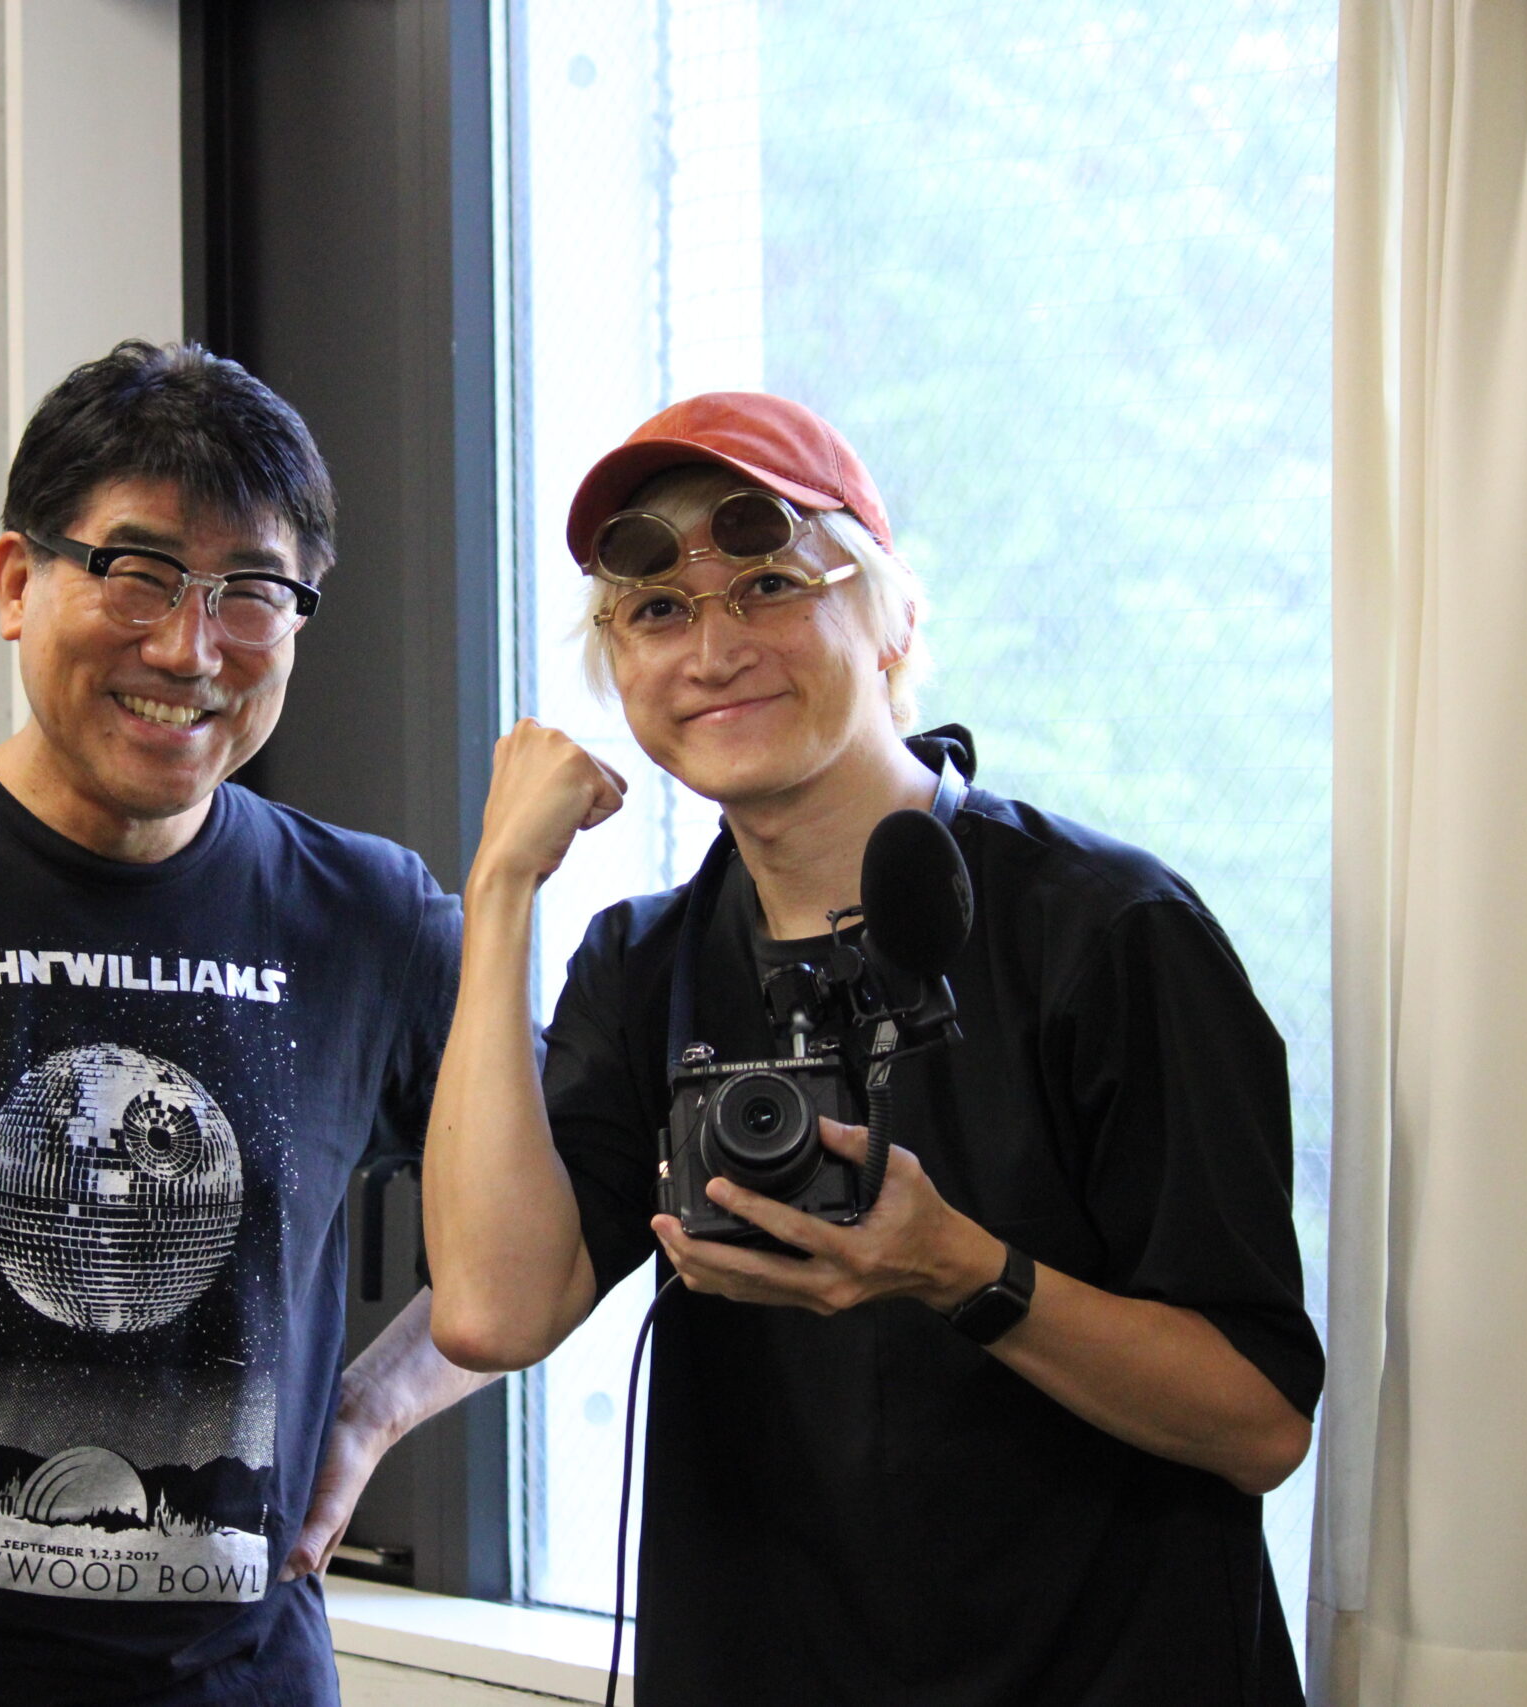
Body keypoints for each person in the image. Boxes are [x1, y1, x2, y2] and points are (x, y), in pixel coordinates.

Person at [421, 392, 1324, 1704]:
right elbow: (492, 1313)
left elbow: (1258, 1420)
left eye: (772, 584)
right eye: (658, 610)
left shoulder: (1104, 932)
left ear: (896, 622)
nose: (713, 650)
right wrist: (500, 889)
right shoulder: (646, 967)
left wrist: (959, 1270)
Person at [0, 340, 485, 1706]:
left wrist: (373, 1408)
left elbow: (569, 1210)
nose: (189, 647)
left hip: (234, 1674)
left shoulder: (368, 917)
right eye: (139, 571)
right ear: (18, 582)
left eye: (251, 591)